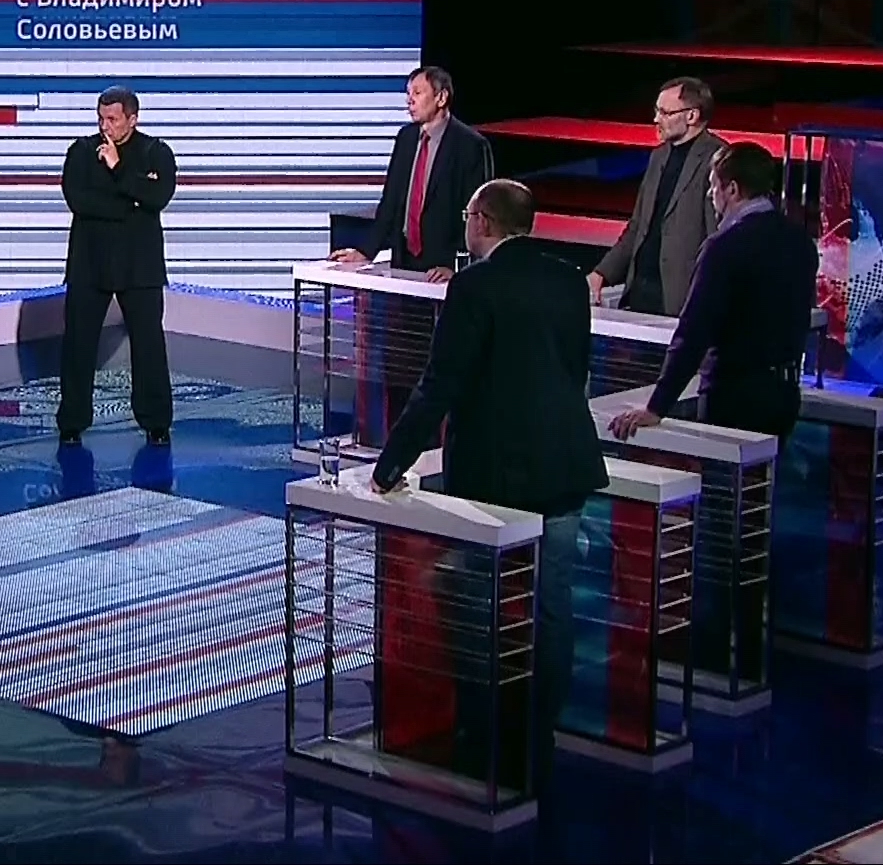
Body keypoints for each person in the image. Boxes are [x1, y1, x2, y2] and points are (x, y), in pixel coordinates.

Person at [369, 178, 608, 797]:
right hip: (565, 464)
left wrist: (390, 464)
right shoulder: (568, 279)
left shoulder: (474, 286)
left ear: (482, 221)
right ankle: (540, 725)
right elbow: (576, 367)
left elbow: (440, 382)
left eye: (468, 215)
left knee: (477, 596)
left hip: (498, 475)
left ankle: (483, 725)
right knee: (552, 602)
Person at [608, 142, 820, 443]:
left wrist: (657, 407)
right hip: (784, 397)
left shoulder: (724, 246)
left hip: (734, 399)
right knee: (766, 474)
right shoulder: (800, 242)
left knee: (724, 474)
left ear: (732, 189)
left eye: (713, 185)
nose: (710, 195)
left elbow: (694, 332)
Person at [57, 85, 177, 447]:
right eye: (101, 118)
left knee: (149, 345)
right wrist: (130, 204)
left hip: (140, 267)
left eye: (112, 119)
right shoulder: (80, 152)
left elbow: (158, 197)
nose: (104, 126)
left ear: (132, 119)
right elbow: (78, 200)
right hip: (89, 264)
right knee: (78, 345)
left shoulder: (156, 152)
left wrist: (119, 169)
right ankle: (72, 422)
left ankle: (156, 422)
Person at [330, 65, 494, 280]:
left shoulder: (470, 145)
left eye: (417, 93)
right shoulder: (405, 138)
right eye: (408, 94)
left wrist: (456, 266)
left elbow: (476, 213)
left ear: (441, 97)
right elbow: (390, 202)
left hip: (443, 268)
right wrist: (365, 251)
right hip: (403, 260)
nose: (409, 100)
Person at [587, 77, 725, 316]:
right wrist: (602, 273)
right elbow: (638, 226)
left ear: (692, 116)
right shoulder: (658, 157)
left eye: (665, 112)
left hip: (681, 298)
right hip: (641, 290)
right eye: (656, 111)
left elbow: (717, 240)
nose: (655, 119)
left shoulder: (718, 159)